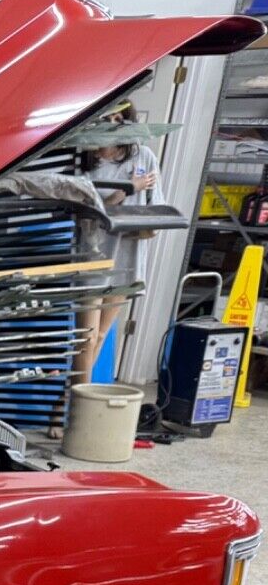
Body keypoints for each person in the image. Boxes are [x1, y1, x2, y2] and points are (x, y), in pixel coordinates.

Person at [76, 102, 163, 383]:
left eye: (118, 117)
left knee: (101, 333)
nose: (112, 123)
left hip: (127, 254)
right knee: (85, 337)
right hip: (93, 253)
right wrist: (126, 191)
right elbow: (88, 210)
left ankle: (75, 403)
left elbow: (156, 205)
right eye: (106, 118)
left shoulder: (143, 157)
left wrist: (147, 226)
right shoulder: (84, 164)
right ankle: (69, 404)